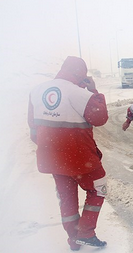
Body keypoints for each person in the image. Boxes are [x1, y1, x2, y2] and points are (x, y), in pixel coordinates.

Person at [27, 56, 109, 251]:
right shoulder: (80, 94)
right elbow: (100, 117)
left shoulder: (36, 91)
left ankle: (73, 239)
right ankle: (86, 233)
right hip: (81, 159)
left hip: (53, 159)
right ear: (81, 74)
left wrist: (54, 147)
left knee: (67, 197)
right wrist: (94, 90)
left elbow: (33, 131)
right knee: (99, 187)